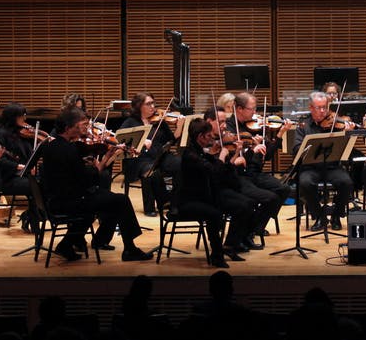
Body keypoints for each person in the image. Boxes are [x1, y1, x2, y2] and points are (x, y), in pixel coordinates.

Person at [31, 106, 152, 262]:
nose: (86, 129)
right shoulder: (69, 150)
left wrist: (102, 159)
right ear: (68, 128)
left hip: (57, 200)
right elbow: (88, 180)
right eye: (82, 125)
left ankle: (69, 244)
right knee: (121, 200)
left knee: (110, 199)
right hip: (70, 202)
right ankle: (130, 249)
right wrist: (103, 162)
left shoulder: (51, 146)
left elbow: (77, 176)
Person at [175, 106, 262, 267]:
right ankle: (217, 255)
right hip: (190, 200)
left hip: (206, 195)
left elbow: (220, 171)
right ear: (200, 137)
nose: (211, 139)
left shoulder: (200, 151)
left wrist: (233, 156)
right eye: (208, 136)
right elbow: (214, 171)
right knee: (215, 214)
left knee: (248, 204)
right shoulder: (191, 154)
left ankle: (231, 245)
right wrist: (221, 156)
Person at [229, 91, 287, 245]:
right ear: (239, 109)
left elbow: (267, 156)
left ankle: (255, 228)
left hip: (254, 173)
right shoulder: (230, 128)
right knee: (269, 198)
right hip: (239, 175)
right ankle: (250, 230)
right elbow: (235, 157)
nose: (255, 113)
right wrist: (251, 149)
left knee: (283, 189)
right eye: (252, 109)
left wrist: (280, 134)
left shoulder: (254, 126)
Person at [292, 91, 354, 230]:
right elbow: (296, 148)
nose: (322, 111)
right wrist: (308, 146)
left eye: (324, 107)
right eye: (318, 108)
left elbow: (344, 148)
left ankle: (336, 215)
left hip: (332, 167)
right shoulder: (303, 125)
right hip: (310, 167)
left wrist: (347, 133)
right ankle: (320, 216)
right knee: (305, 183)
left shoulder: (335, 124)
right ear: (310, 108)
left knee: (347, 182)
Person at [119, 92, 179, 217]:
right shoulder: (131, 122)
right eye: (148, 104)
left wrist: (180, 126)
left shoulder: (160, 121)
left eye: (153, 103)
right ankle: (153, 205)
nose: (153, 106)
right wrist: (141, 142)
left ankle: (175, 201)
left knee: (180, 164)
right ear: (139, 106)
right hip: (139, 159)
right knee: (150, 171)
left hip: (160, 156)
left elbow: (172, 140)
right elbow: (121, 141)